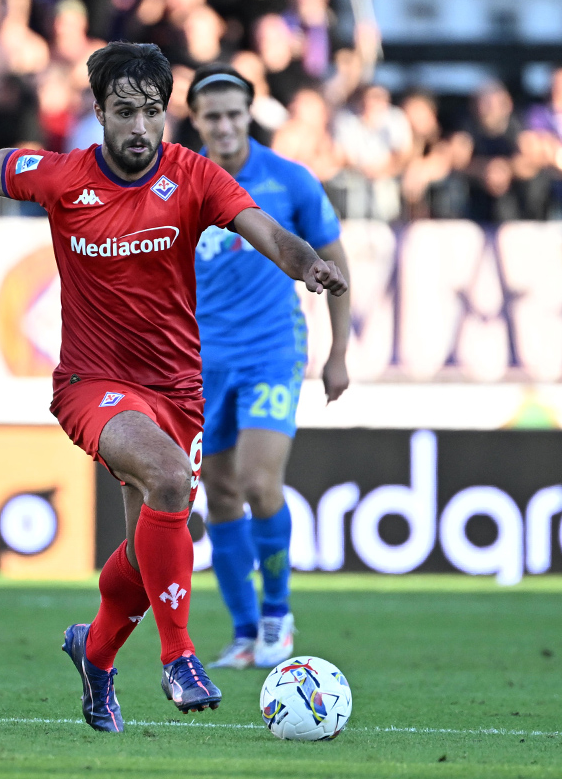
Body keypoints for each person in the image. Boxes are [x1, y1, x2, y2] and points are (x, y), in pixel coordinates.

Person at [0, 42, 346, 732]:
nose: (141, 127)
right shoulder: (61, 176)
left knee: (145, 550)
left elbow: (269, 233)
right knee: (170, 481)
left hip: (176, 392)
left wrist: (308, 265)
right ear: (99, 113)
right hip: (91, 383)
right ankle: (178, 655)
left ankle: (95, 655)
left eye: (153, 112)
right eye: (125, 111)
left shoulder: (192, 176)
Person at [186, 64, 351, 670]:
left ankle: (278, 612)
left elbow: (335, 264)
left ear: (248, 115)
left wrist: (339, 352)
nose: (225, 126)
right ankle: (245, 630)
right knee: (221, 495)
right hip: (201, 364)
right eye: (213, 116)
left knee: (259, 482)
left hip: (272, 352)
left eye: (235, 114)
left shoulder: (289, 181)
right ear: (197, 121)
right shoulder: (180, 181)